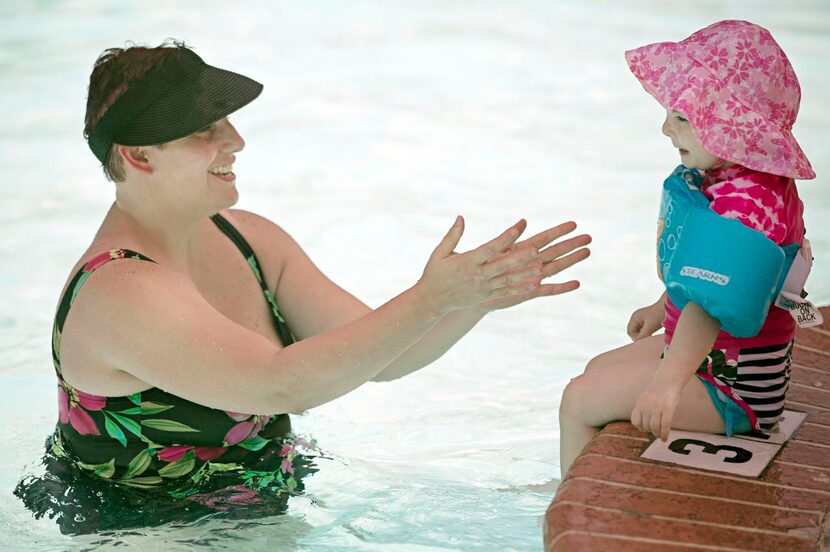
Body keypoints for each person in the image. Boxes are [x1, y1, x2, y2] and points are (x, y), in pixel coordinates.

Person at [14, 40, 591, 533]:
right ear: (139, 156)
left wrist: (474, 297)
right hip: (143, 529)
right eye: (206, 130)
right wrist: (431, 297)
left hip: (258, 509)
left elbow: (385, 355)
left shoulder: (247, 239)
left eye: (229, 122)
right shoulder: (121, 290)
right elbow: (279, 385)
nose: (235, 141)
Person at [558, 20, 816, 476]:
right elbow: (706, 270)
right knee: (597, 368)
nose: (664, 129)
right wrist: (662, 308)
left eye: (680, 118)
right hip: (714, 358)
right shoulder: (738, 180)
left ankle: (573, 513)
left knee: (578, 400)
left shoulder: (745, 209)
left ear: (730, 128)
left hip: (733, 386)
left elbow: (710, 304)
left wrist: (667, 385)